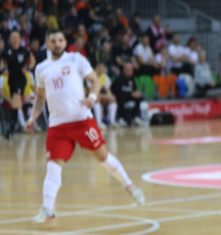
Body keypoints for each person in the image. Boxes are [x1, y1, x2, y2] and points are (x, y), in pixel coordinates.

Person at [26, 30, 146, 222]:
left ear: (65, 42)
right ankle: (48, 209)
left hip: (82, 120)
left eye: (60, 40)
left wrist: (92, 97)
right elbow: (40, 98)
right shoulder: (41, 68)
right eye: (53, 41)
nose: (57, 44)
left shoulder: (76, 59)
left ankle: (129, 185)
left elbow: (94, 81)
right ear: (47, 44)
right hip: (58, 125)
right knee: (53, 166)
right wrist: (33, 118)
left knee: (103, 157)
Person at [2, 29, 32, 137]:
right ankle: (12, 129)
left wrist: (28, 67)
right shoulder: (7, 51)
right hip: (11, 80)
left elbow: (32, 60)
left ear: (20, 38)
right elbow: (3, 61)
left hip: (21, 79)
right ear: (10, 39)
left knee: (15, 99)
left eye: (16, 37)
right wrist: (4, 68)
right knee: (15, 105)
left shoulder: (24, 50)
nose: (14, 39)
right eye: (12, 37)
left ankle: (16, 126)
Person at [112, 62, 144, 126]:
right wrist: (130, 94)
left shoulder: (132, 79)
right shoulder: (119, 79)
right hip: (120, 97)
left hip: (128, 96)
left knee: (138, 98)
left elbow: (133, 90)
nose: (130, 71)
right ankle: (121, 118)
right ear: (124, 70)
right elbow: (118, 92)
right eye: (128, 70)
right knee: (121, 98)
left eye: (131, 70)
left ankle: (135, 117)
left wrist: (137, 93)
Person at [92, 62, 119, 129]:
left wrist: (109, 97)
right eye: (101, 67)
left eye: (103, 67)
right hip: (91, 97)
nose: (102, 68)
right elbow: (92, 93)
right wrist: (106, 96)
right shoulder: (92, 76)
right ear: (96, 67)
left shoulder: (104, 77)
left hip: (101, 97)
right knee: (97, 99)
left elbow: (108, 91)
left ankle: (111, 122)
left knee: (113, 99)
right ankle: (99, 123)